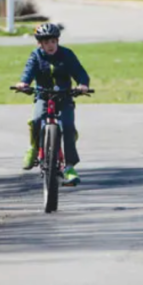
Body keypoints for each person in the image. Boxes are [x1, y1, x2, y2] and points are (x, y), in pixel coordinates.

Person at [14, 23, 91, 186]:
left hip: (64, 97)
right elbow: (28, 72)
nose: (50, 46)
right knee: (36, 120)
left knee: (68, 127)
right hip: (43, 95)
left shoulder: (67, 54)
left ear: (57, 41)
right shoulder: (36, 56)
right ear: (39, 44)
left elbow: (80, 73)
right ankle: (33, 148)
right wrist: (23, 83)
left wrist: (83, 84)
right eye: (46, 42)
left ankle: (69, 167)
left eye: (53, 42)